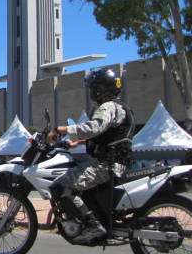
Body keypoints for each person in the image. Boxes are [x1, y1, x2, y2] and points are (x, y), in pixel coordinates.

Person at [46, 68, 135, 244]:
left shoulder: (108, 107)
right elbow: (105, 136)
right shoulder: (120, 107)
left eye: (94, 87)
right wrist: (76, 143)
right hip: (113, 162)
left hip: (106, 165)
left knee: (61, 187)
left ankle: (92, 225)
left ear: (101, 89)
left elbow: (94, 128)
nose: (92, 91)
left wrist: (60, 129)